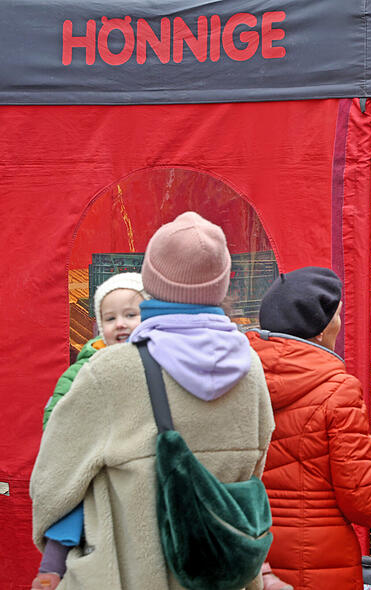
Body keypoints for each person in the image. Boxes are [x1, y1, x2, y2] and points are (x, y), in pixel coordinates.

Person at [30, 211, 275, 590]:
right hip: (219, 573)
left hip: (126, 574)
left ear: (151, 281)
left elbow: (55, 480)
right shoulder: (250, 368)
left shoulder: (111, 369)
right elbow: (253, 472)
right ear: (222, 283)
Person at [247, 266, 371, 590]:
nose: (339, 323)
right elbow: (363, 499)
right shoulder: (337, 390)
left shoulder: (239, 380)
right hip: (319, 558)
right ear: (320, 329)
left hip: (255, 553)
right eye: (337, 315)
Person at [32, 273, 148, 589]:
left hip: (135, 457)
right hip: (94, 456)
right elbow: (56, 414)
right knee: (74, 501)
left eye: (131, 315)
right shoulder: (86, 366)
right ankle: (51, 569)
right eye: (110, 318)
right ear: (99, 327)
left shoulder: (155, 361)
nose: (120, 324)